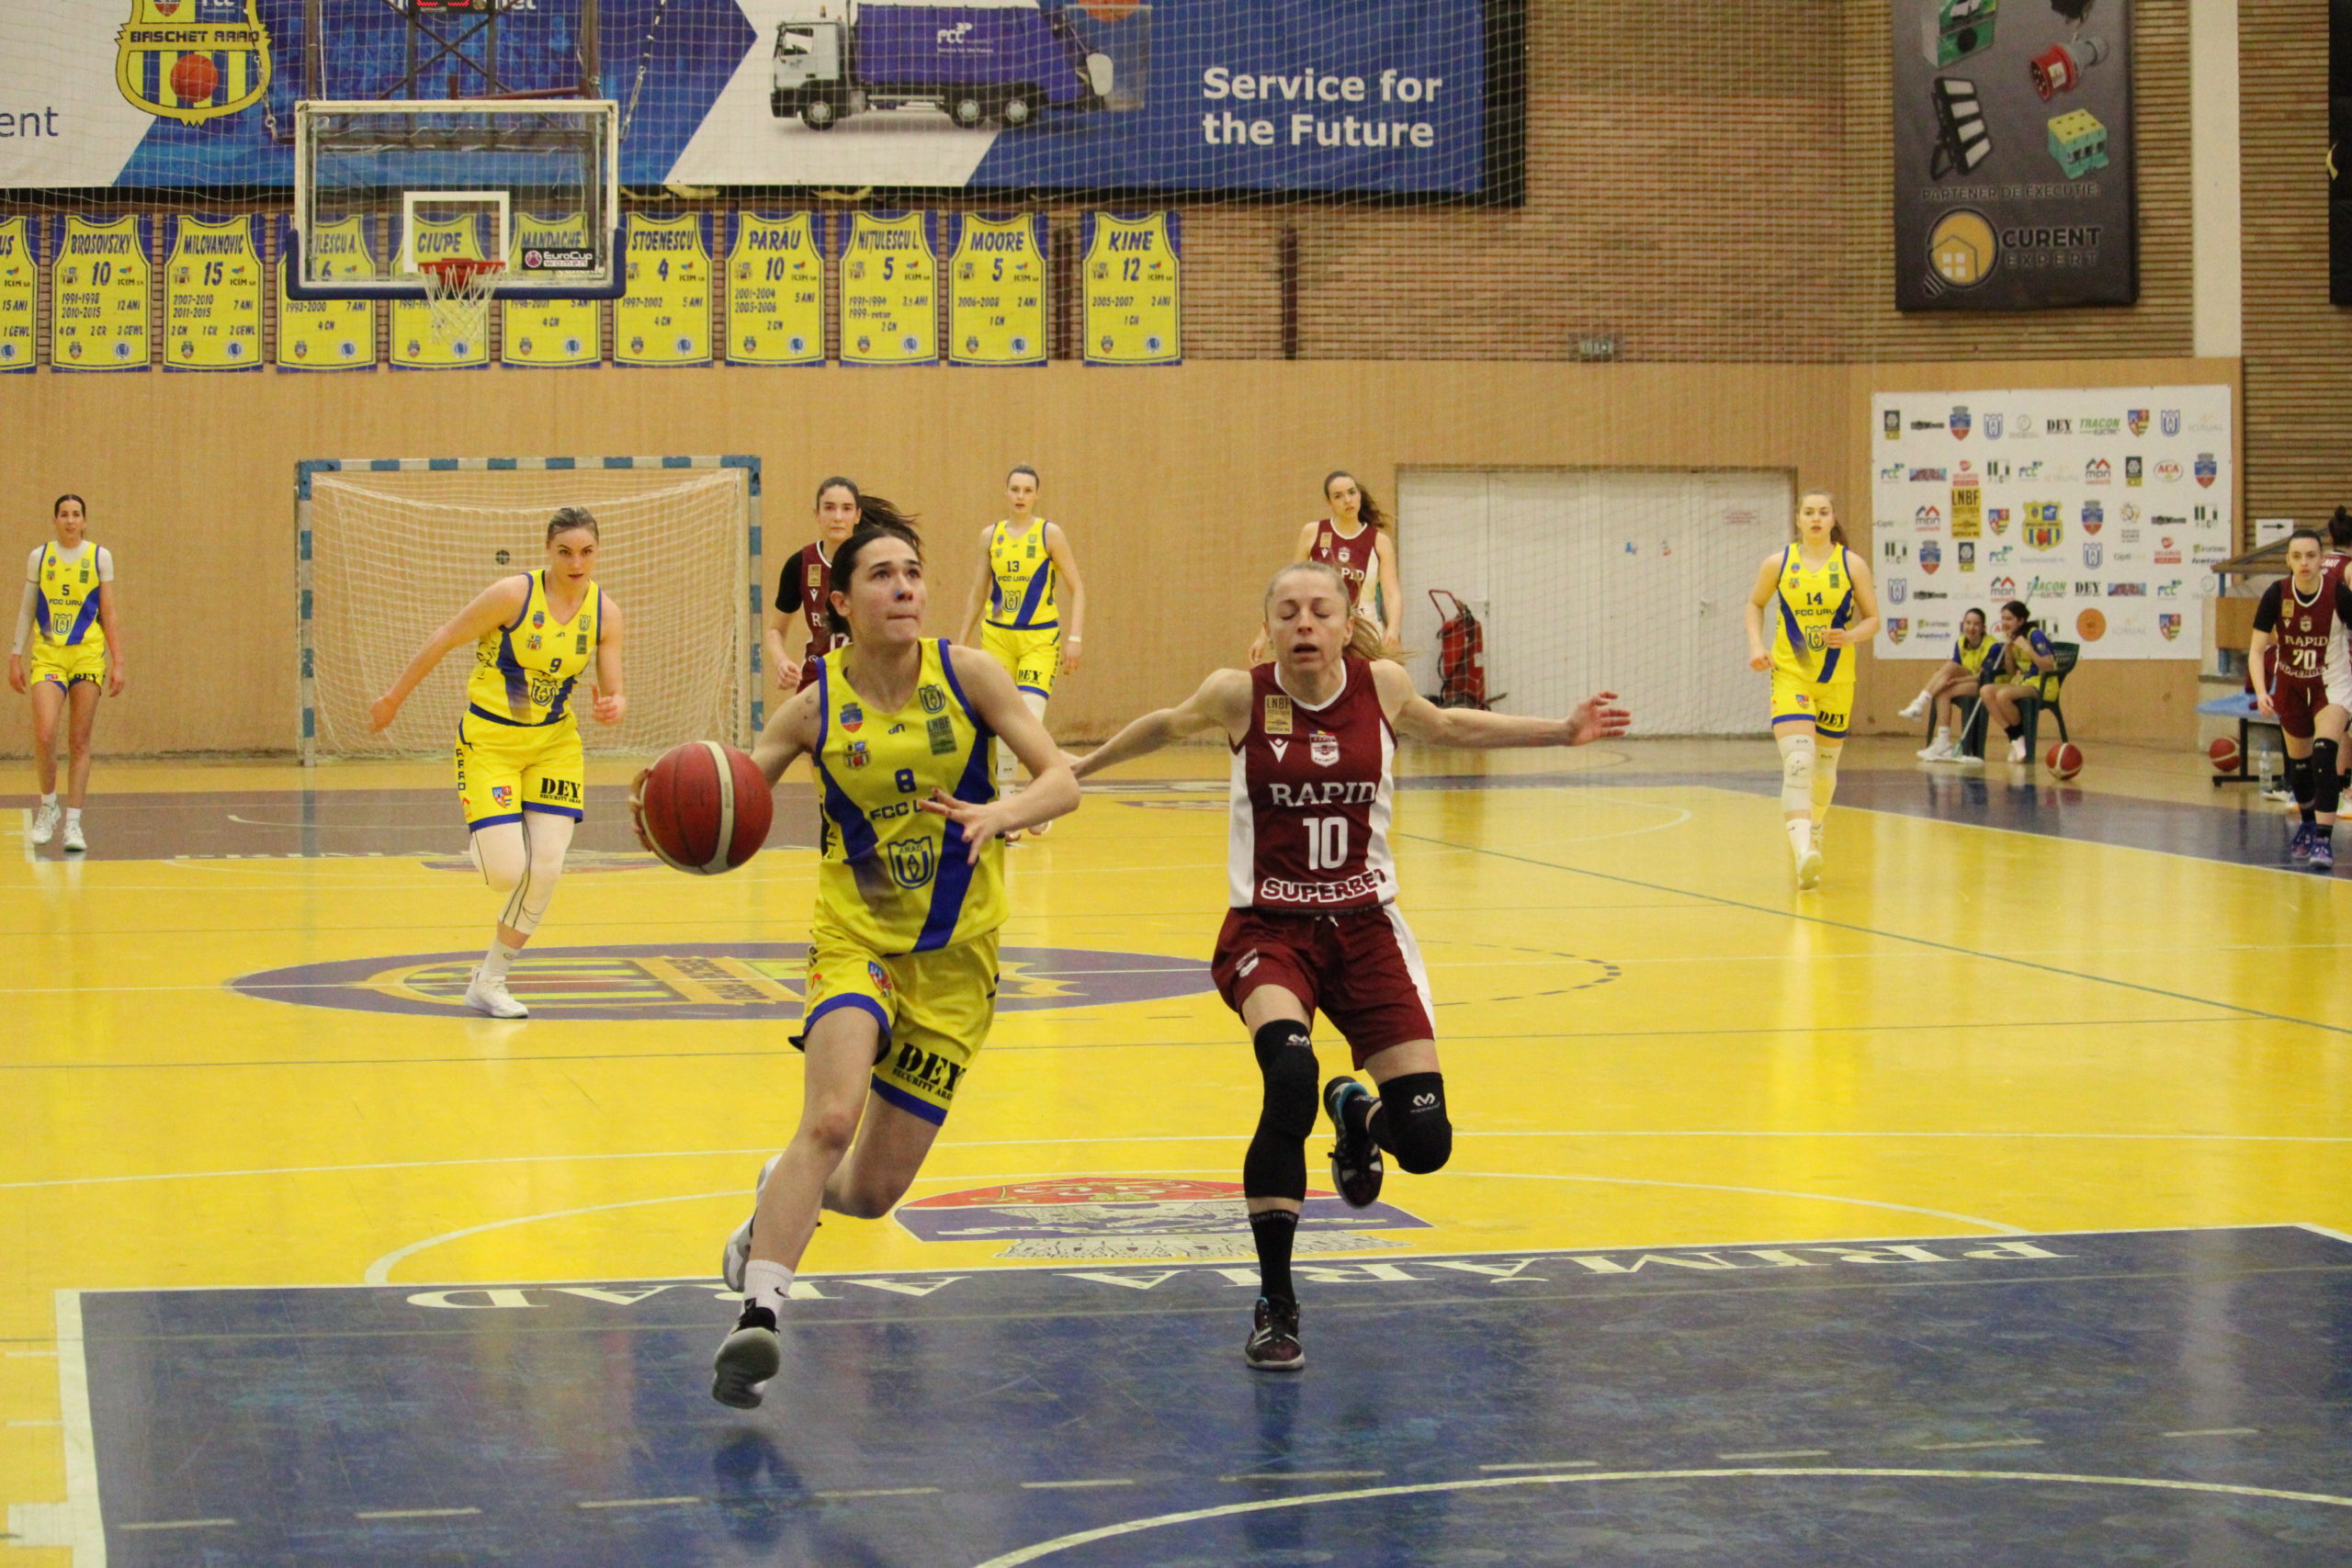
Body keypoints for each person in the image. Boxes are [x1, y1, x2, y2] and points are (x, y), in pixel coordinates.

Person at [1070, 558, 1629, 1371]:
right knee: (1288, 1077)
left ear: (1344, 623)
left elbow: (1451, 726)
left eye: (1320, 610)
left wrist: (1561, 730)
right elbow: (1163, 725)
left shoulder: (1383, 687)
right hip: (1270, 930)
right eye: (1288, 612)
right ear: (1269, 627)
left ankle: (1358, 1115)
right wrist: (1072, 770)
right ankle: (1277, 1302)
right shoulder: (1240, 695)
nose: (1304, 623)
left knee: (1427, 1142)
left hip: (1366, 929)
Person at [704, 516, 1080, 1410]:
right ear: (839, 602)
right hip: (856, 942)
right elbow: (734, 802)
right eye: (881, 574)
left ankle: (775, 1201)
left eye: (913, 571)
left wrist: (1003, 812)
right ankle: (760, 1315)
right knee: (831, 1117)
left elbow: (1061, 779)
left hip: (957, 961)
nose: (904, 586)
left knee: (871, 1193)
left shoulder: (971, 674)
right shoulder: (814, 706)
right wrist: (686, 818)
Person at [369, 508, 627, 1018]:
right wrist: (394, 697)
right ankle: (492, 833)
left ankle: (489, 980)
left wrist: (614, 705)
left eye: (587, 552)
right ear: (548, 551)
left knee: (547, 868)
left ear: (598, 552)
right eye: (565, 552)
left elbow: (614, 688)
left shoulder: (606, 613)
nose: (577, 563)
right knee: (507, 873)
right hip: (490, 743)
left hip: (555, 747)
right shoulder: (513, 595)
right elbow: (444, 636)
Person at [1743, 490, 1881, 888]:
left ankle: (1815, 827)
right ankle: (1804, 852)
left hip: (1836, 680)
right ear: (1798, 518)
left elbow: (1873, 619)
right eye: (1809, 512)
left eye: (1823, 512)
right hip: (1792, 674)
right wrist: (1757, 645)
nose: (1816, 518)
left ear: (1832, 518)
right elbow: (1755, 604)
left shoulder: (1851, 564)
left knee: (1823, 772)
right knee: (1798, 763)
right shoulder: (1778, 563)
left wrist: (1850, 636)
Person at [956, 464, 1086, 814]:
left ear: (1037, 495)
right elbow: (978, 591)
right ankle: (1008, 806)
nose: (1020, 496)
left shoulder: (1049, 534)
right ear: (1006, 492)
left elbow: (1077, 587)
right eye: (1015, 489)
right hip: (998, 639)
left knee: (1029, 720)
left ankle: (1044, 792)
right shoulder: (990, 536)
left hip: (1038, 641)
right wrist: (961, 640)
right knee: (1000, 726)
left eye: (1028, 491)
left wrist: (1075, 637)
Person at [10, 494, 124, 853]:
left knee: (79, 741)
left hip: (87, 656)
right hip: (49, 657)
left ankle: (74, 822)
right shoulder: (40, 557)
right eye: (64, 514)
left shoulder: (99, 557)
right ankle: (48, 807)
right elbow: (27, 609)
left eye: (76, 514)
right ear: (55, 520)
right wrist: (15, 653)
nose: (70, 520)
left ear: (84, 521)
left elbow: (109, 613)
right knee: (46, 733)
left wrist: (118, 661)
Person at [2248, 528, 2352, 868]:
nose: (2304, 562)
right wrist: (2262, 691)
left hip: (2330, 686)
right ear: (2288, 560)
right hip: (2291, 687)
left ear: (2322, 559)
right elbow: (2256, 650)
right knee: (2301, 767)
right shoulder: (2277, 594)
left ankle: (2323, 839)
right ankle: (2307, 825)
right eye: (2297, 556)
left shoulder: (2338, 593)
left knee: (2324, 755)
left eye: (2310, 555)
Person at [762, 478, 866, 699]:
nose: (837, 517)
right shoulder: (800, 563)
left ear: (857, 515)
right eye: (829, 508)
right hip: (817, 678)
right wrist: (782, 662)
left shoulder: (873, 562)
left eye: (846, 509)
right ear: (817, 514)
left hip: (866, 678)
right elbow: (775, 630)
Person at [1909, 606, 2000, 761]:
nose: (1971, 627)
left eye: (1976, 624)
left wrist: (1957, 681)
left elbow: (1983, 677)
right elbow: (1956, 668)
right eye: (1968, 623)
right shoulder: (1960, 642)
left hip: (1987, 684)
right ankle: (1943, 741)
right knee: (1944, 685)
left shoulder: (1993, 646)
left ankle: (1920, 704)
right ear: (1963, 624)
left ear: (1983, 627)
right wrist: (1948, 678)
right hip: (1967, 679)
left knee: (1946, 688)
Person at [1976, 600, 2059, 767]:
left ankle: (2019, 740)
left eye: (2009, 619)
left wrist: (2028, 649)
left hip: (2043, 684)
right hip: (2023, 682)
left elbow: (2048, 666)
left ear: (2021, 620)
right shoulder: (2011, 637)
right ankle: (2015, 737)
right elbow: (2011, 672)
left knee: (2003, 695)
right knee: (1986, 691)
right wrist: (2008, 649)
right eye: (2003, 618)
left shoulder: (2034, 635)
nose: (2004, 623)